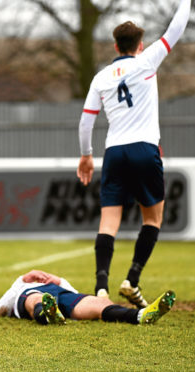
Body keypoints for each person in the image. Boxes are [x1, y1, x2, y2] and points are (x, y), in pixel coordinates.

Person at [76, 0, 190, 307]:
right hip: (144, 147)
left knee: (108, 222)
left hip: (114, 151)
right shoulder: (146, 61)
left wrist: (86, 155)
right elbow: (176, 29)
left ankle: (101, 287)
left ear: (115, 45)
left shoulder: (101, 78)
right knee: (153, 218)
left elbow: (87, 120)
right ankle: (132, 280)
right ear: (140, 45)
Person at [0, 269, 175, 326]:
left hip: (63, 296)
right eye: (36, 274)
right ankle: (45, 315)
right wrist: (24, 279)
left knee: (99, 304)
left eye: (42, 274)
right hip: (32, 296)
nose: (40, 275)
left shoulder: (59, 284)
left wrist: (58, 280)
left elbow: (74, 293)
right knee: (36, 298)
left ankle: (140, 315)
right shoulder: (20, 287)